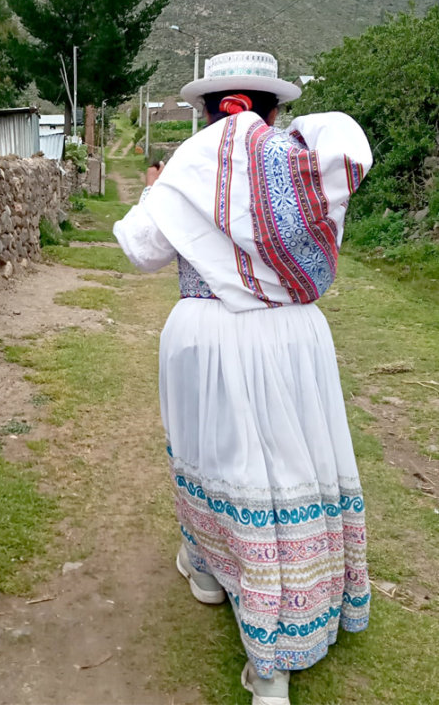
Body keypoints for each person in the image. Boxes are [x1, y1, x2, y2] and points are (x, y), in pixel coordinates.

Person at [114, 51, 372, 705]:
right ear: (274, 107)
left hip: (207, 330)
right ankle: (273, 649)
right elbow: (348, 148)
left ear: (208, 107)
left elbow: (143, 249)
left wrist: (166, 185)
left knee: (214, 459)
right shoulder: (304, 162)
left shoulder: (187, 166)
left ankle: (214, 580)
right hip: (290, 332)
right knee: (287, 468)